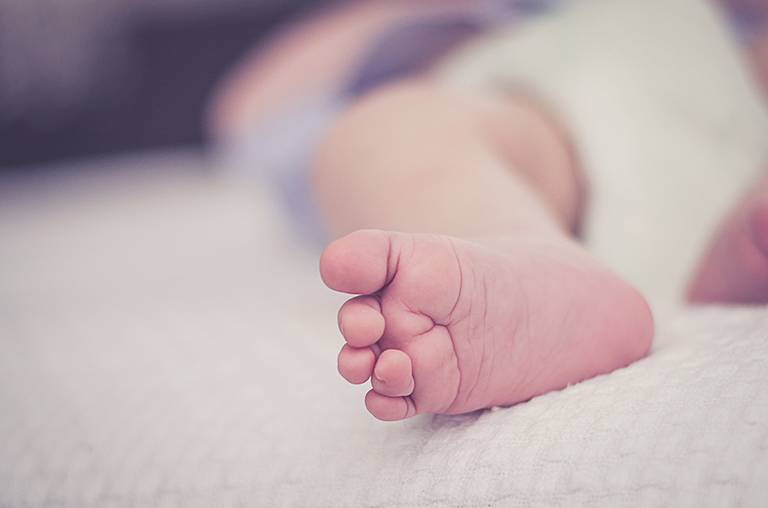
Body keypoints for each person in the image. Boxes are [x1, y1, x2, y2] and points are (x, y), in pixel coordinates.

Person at [209, 0, 768, 421]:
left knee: (387, 133)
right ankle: (530, 260)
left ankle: (525, 261)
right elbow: (247, 112)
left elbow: (248, 106)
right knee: (388, 133)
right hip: (601, 125)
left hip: (685, 123)